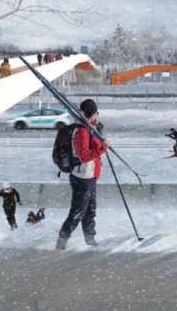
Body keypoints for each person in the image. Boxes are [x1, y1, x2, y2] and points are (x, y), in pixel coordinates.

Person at [56, 99, 110, 250]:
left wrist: (101, 144)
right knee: (78, 212)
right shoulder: (82, 131)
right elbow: (84, 157)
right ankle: (61, 243)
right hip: (82, 177)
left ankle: (90, 239)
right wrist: (103, 149)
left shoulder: (91, 128)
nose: (97, 115)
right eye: (96, 113)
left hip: (91, 175)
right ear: (91, 114)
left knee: (90, 209)